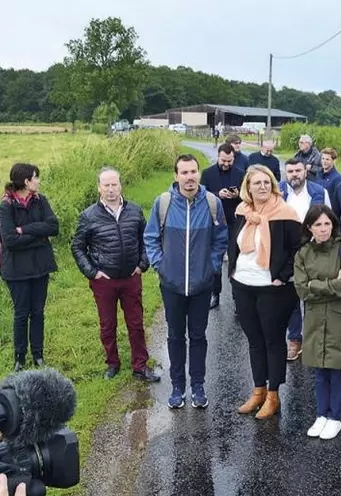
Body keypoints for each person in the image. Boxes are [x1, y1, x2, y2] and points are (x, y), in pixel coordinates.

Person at [144, 154, 229, 409]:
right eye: (184, 172)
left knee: (198, 336)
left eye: (193, 172)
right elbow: (150, 238)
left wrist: (212, 267)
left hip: (201, 285)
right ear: (176, 175)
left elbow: (221, 239)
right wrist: (161, 266)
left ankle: (198, 385)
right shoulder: (164, 203)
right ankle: (178, 386)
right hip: (172, 285)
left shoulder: (212, 203)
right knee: (174, 336)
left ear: (198, 174)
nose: (189, 177)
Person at [71, 167, 160, 382]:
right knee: (108, 324)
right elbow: (77, 247)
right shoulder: (89, 216)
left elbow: (146, 240)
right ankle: (112, 363)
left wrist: (142, 264)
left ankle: (140, 365)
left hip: (131, 278)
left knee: (136, 323)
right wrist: (92, 272)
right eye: (106, 185)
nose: (110, 189)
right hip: (104, 282)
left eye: (114, 184)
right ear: (99, 188)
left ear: (120, 185)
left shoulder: (135, 211)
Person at [231, 165, 301, 420]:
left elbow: (299, 249)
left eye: (266, 182)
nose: (262, 186)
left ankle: (273, 395)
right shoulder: (242, 211)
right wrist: (232, 274)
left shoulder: (286, 213)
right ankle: (258, 390)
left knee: (273, 341)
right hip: (243, 284)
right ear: (247, 187)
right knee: (254, 340)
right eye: (256, 183)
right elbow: (233, 245)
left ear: (273, 185)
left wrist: (282, 277)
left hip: (272, 289)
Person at [294, 205, 341, 440]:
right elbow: (301, 289)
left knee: (337, 369)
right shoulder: (303, 253)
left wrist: (317, 285)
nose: (323, 229)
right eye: (318, 224)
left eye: (327, 224)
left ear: (334, 224)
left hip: (340, 317)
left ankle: (335, 417)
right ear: (309, 227)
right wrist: (330, 284)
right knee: (319, 369)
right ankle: (321, 414)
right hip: (314, 317)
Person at [0, 164, 58, 371]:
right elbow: (9, 241)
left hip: (40, 267)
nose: (38, 181)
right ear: (26, 181)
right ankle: (20, 358)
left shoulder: (41, 201)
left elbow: (53, 227)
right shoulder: (6, 206)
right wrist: (39, 237)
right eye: (36, 177)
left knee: (38, 312)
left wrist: (23, 230)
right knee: (21, 313)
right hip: (15, 270)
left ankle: (38, 355)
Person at [279, 158, 331, 361]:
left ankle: (316, 339)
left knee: (315, 293)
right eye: (290, 170)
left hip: (313, 249)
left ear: (305, 171)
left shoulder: (319, 192)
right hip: (287, 251)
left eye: (298, 170)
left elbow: (329, 220)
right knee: (292, 295)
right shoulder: (279, 191)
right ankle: (294, 339)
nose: (294, 174)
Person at [200, 143, 245, 309]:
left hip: (235, 222)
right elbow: (202, 195)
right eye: (223, 160)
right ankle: (215, 293)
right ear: (218, 156)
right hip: (215, 221)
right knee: (215, 259)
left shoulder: (241, 173)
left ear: (234, 158)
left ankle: (237, 296)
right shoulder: (207, 173)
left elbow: (247, 196)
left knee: (236, 259)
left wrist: (237, 194)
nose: (226, 163)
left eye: (229, 160)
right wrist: (217, 194)